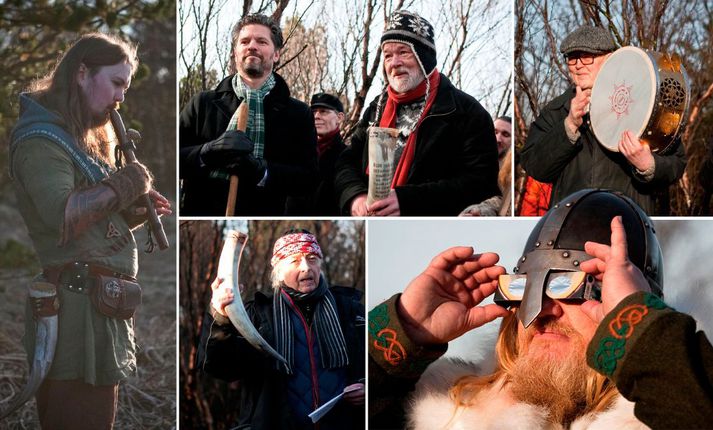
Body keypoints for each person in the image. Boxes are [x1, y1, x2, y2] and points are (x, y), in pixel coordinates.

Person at [368, 189, 713, 429]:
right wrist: (406, 331)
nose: (545, 308)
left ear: (622, 308)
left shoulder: (675, 410)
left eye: (569, 286)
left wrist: (643, 332)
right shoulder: (440, 412)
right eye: (528, 286)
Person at [8, 33, 171, 429]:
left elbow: (89, 228)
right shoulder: (40, 141)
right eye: (116, 84)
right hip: (76, 315)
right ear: (82, 73)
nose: (121, 99)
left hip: (99, 313)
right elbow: (62, 216)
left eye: (125, 88)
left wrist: (129, 213)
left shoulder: (78, 139)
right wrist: (122, 185)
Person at [335, 10, 500, 216]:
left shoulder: (466, 112)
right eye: (387, 55)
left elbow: (480, 183)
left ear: (425, 57)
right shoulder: (376, 108)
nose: (394, 63)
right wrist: (355, 196)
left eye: (404, 52)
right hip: (370, 223)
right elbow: (346, 161)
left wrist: (406, 201)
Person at [199, 229, 365, 430]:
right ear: (278, 270)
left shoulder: (349, 310)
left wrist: (364, 386)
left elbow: (371, 364)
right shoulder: (257, 316)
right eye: (294, 261)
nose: (306, 267)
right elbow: (221, 367)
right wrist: (220, 318)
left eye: (312, 258)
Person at [520, 25, 687, 215]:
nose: (578, 64)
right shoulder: (556, 111)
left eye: (587, 56)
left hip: (628, 221)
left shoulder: (644, 101)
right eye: (572, 57)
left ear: (610, 58)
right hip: (571, 224)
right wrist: (569, 127)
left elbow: (677, 161)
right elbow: (534, 166)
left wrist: (648, 165)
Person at [180, 14, 318, 215]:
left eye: (262, 41)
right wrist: (207, 152)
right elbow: (171, 160)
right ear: (235, 53)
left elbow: (309, 179)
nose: (252, 46)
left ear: (276, 54)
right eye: (245, 41)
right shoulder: (203, 103)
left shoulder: (298, 113)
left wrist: (262, 170)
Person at [288, 93, 347, 215]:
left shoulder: (348, 156)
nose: (316, 116)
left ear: (340, 117)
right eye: (313, 112)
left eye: (324, 111)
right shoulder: (295, 152)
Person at [460, 116, 512, 216]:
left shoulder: (510, 174)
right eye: (495, 132)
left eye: (505, 134)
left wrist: (481, 212)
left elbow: (501, 202)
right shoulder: (470, 159)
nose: (498, 139)